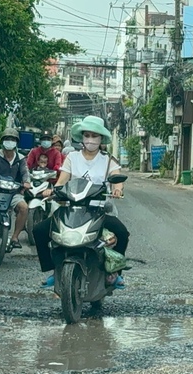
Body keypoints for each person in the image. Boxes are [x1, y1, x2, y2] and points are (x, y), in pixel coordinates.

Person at [33, 115, 128, 288]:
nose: (90, 139)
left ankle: (115, 273)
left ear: (101, 138)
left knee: (122, 233)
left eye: (94, 136)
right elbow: (62, 181)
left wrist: (117, 189)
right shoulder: (72, 157)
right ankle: (54, 269)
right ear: (82, 137)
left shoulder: (108, 160)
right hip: (72, 208)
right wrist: (53, 190)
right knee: (39, 230)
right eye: (87, 135)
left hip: (98, 210)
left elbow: (116, 177)